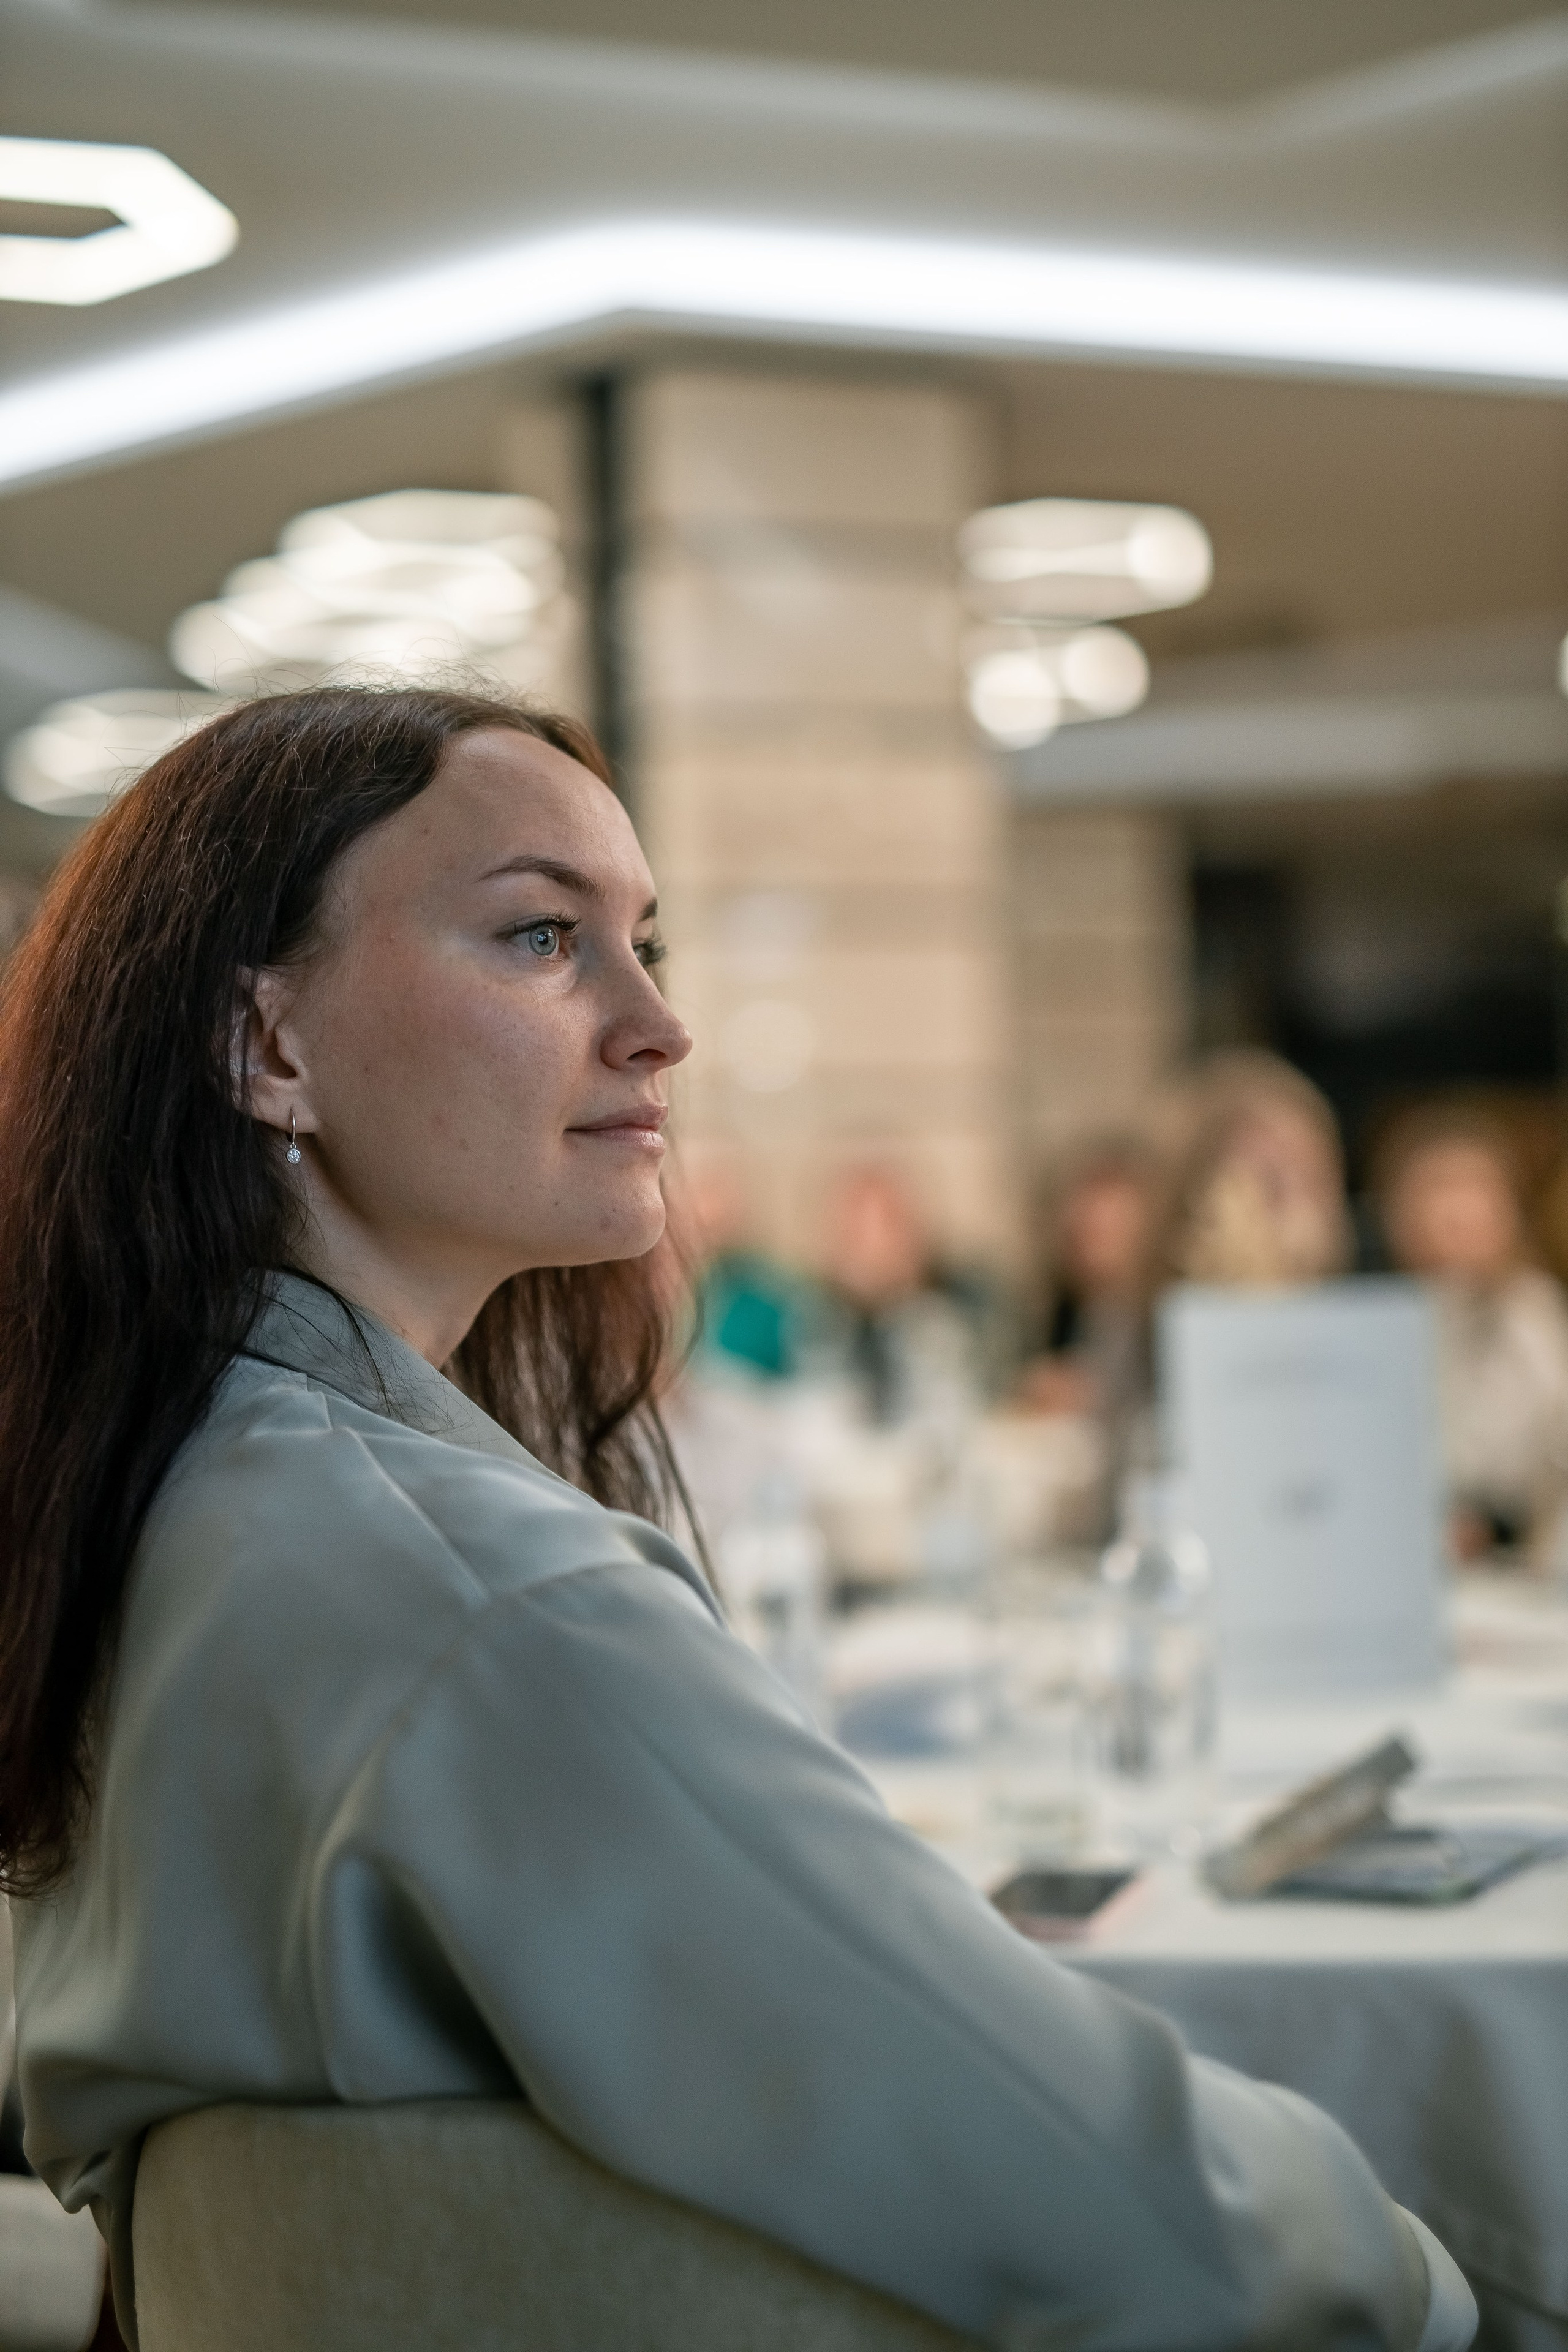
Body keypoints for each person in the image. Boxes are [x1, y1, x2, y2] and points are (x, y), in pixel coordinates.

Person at [0, 687, 1471, 2352]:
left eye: (649, 943)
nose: (657, 1026)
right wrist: (1447, 2282)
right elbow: (1125, 2197)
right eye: (543, 938)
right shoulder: (483, 1600)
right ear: (266, 1046)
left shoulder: (173, 1498)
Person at [1380, 1111, 1568, 1564]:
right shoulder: (1383, 1322)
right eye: (1436, 1191)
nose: (1456, 1214)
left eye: (1474, 1192)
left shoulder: (1530, 1316)